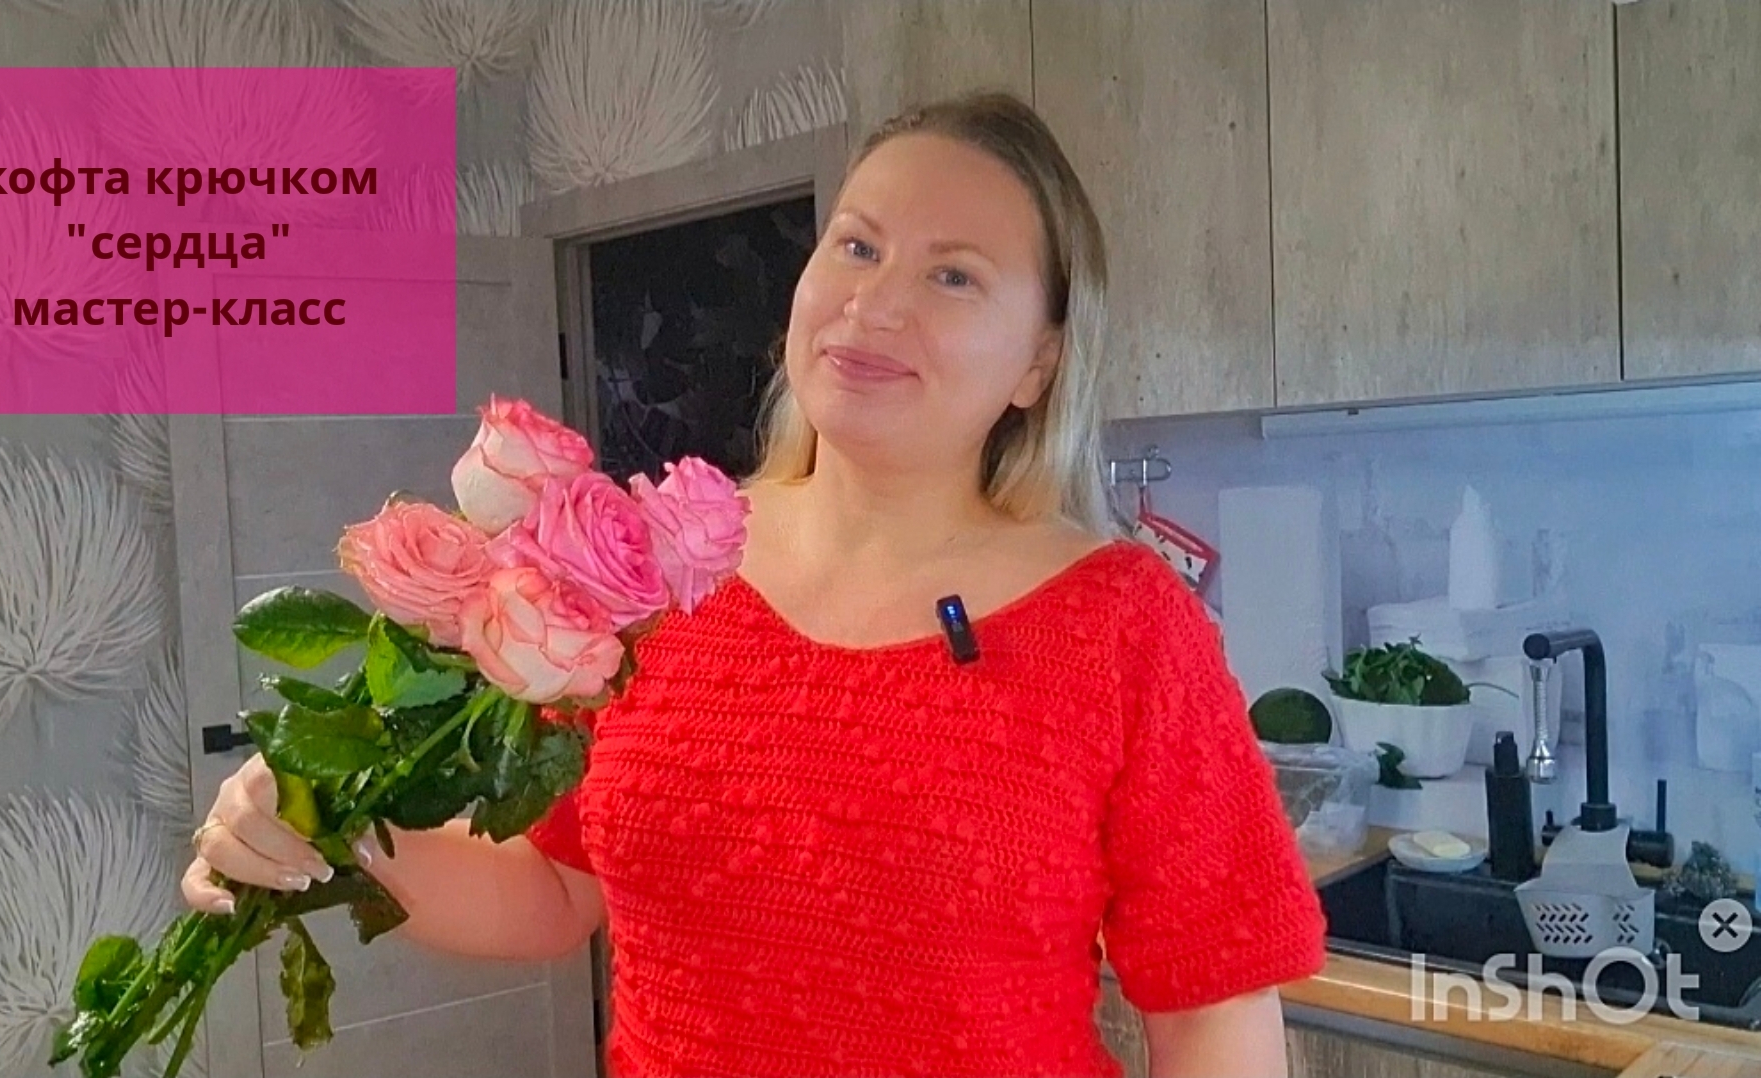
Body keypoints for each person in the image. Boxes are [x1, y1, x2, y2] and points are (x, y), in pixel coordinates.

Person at [184, 89, 1326, 1077]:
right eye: (858, 246)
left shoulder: (1125, 624)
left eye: (953, 274)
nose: (875, 303)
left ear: (1040, 360)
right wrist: (328, 831)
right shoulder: (646, 571)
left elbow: (1211, 1008)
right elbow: (555, 887)